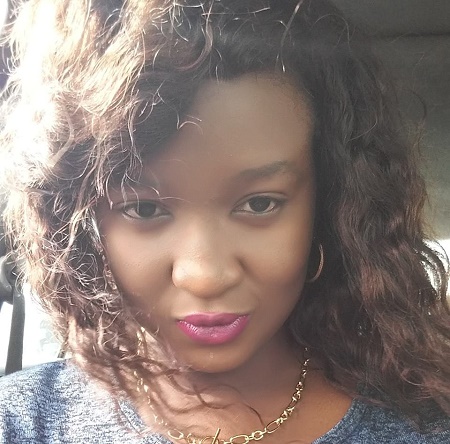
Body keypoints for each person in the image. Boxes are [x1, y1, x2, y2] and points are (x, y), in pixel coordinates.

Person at [0, 0, 449, 442]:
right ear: (84, 224)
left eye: (259, 204)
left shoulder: (428, 420)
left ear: (329, 209)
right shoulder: (21, 423)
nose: (206, 276)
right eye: (145, 209)